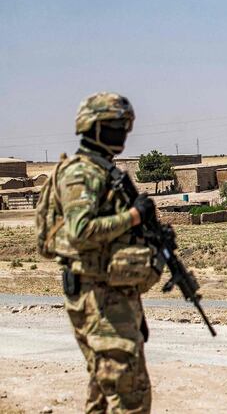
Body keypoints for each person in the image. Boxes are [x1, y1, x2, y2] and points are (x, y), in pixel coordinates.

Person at [36, 92, 158, 412]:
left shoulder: (102, 170)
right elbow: (81, 231)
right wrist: (134, 216)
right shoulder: (82, 172)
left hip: (110, 294)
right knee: (130, 395)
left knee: (105, 392)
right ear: (94, 126)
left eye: (125, 126)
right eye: (117, 125)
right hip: (98, 297)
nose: (124, 133)